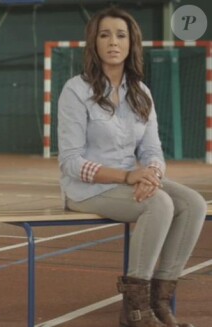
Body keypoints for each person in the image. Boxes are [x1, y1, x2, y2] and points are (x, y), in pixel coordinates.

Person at [57, 7, 207, 327]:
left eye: (121, 35)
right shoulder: (76, 91)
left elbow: (153, 150)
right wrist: (128, 176)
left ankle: (160, 302)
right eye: (105, 34)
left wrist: (151, 175)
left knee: (193, 203)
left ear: (131, 43)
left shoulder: (141, 93)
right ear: (94, 43)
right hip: (88, 189)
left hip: (129, 183)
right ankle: (135, 312)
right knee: (160, 204)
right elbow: (71, 162)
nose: (113, 41)